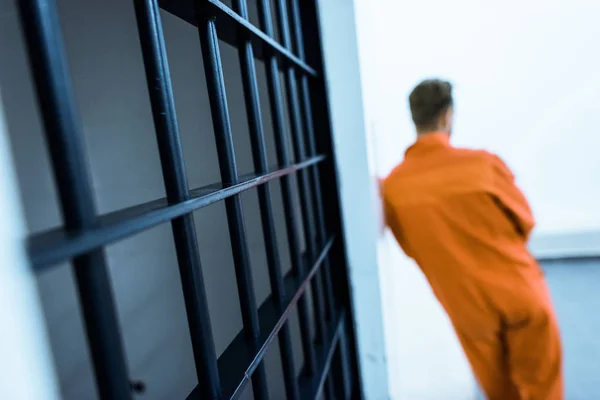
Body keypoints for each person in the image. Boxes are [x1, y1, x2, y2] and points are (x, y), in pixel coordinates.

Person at [381, 79, 563, 400]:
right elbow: (525, 222)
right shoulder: (482, 164)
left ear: (414, 117)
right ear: (447, 116)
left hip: (468, 309)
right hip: (521, 293)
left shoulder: (394, 187)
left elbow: (412, 248)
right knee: (543, 392)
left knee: (501, 394)